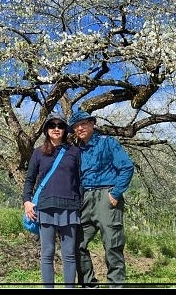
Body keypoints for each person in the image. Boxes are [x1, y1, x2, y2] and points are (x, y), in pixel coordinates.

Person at [68, 110, 135, 288]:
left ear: (92, 124)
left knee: (112, 245)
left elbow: (127, 167)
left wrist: (115, 193)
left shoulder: (108, 143)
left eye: (83, 124)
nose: (79, 128)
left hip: (107, 196)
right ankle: (89, 285)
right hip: (85, 199)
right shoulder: (77, 151)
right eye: (76, 126)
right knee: (76, 243)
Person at [22, 112, 82, 288]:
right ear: (46, 129)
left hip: (70, 208)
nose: (56, 128)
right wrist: (26, 201)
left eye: (60, 125)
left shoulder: (75, 152)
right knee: (47, 253)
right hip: (45, 207)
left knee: (69, 254)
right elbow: (29, 179)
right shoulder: (38, 153)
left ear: (65, 130)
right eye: (52, 125)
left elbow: (80, 181)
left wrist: (80, 204)